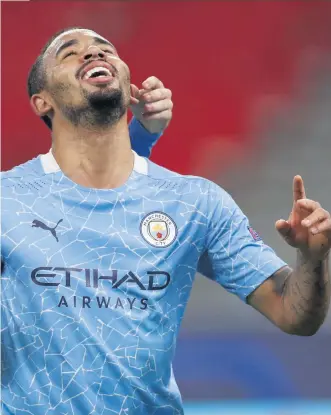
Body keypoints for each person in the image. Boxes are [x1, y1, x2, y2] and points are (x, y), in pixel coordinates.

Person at [1, 27, 330, 415]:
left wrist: (312, 259)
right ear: (42, 102)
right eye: (69, 52)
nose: (92, 54)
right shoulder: (8, 200)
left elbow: (294, 315)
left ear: (130, 87)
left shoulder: (196, 202)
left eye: (105, 49)